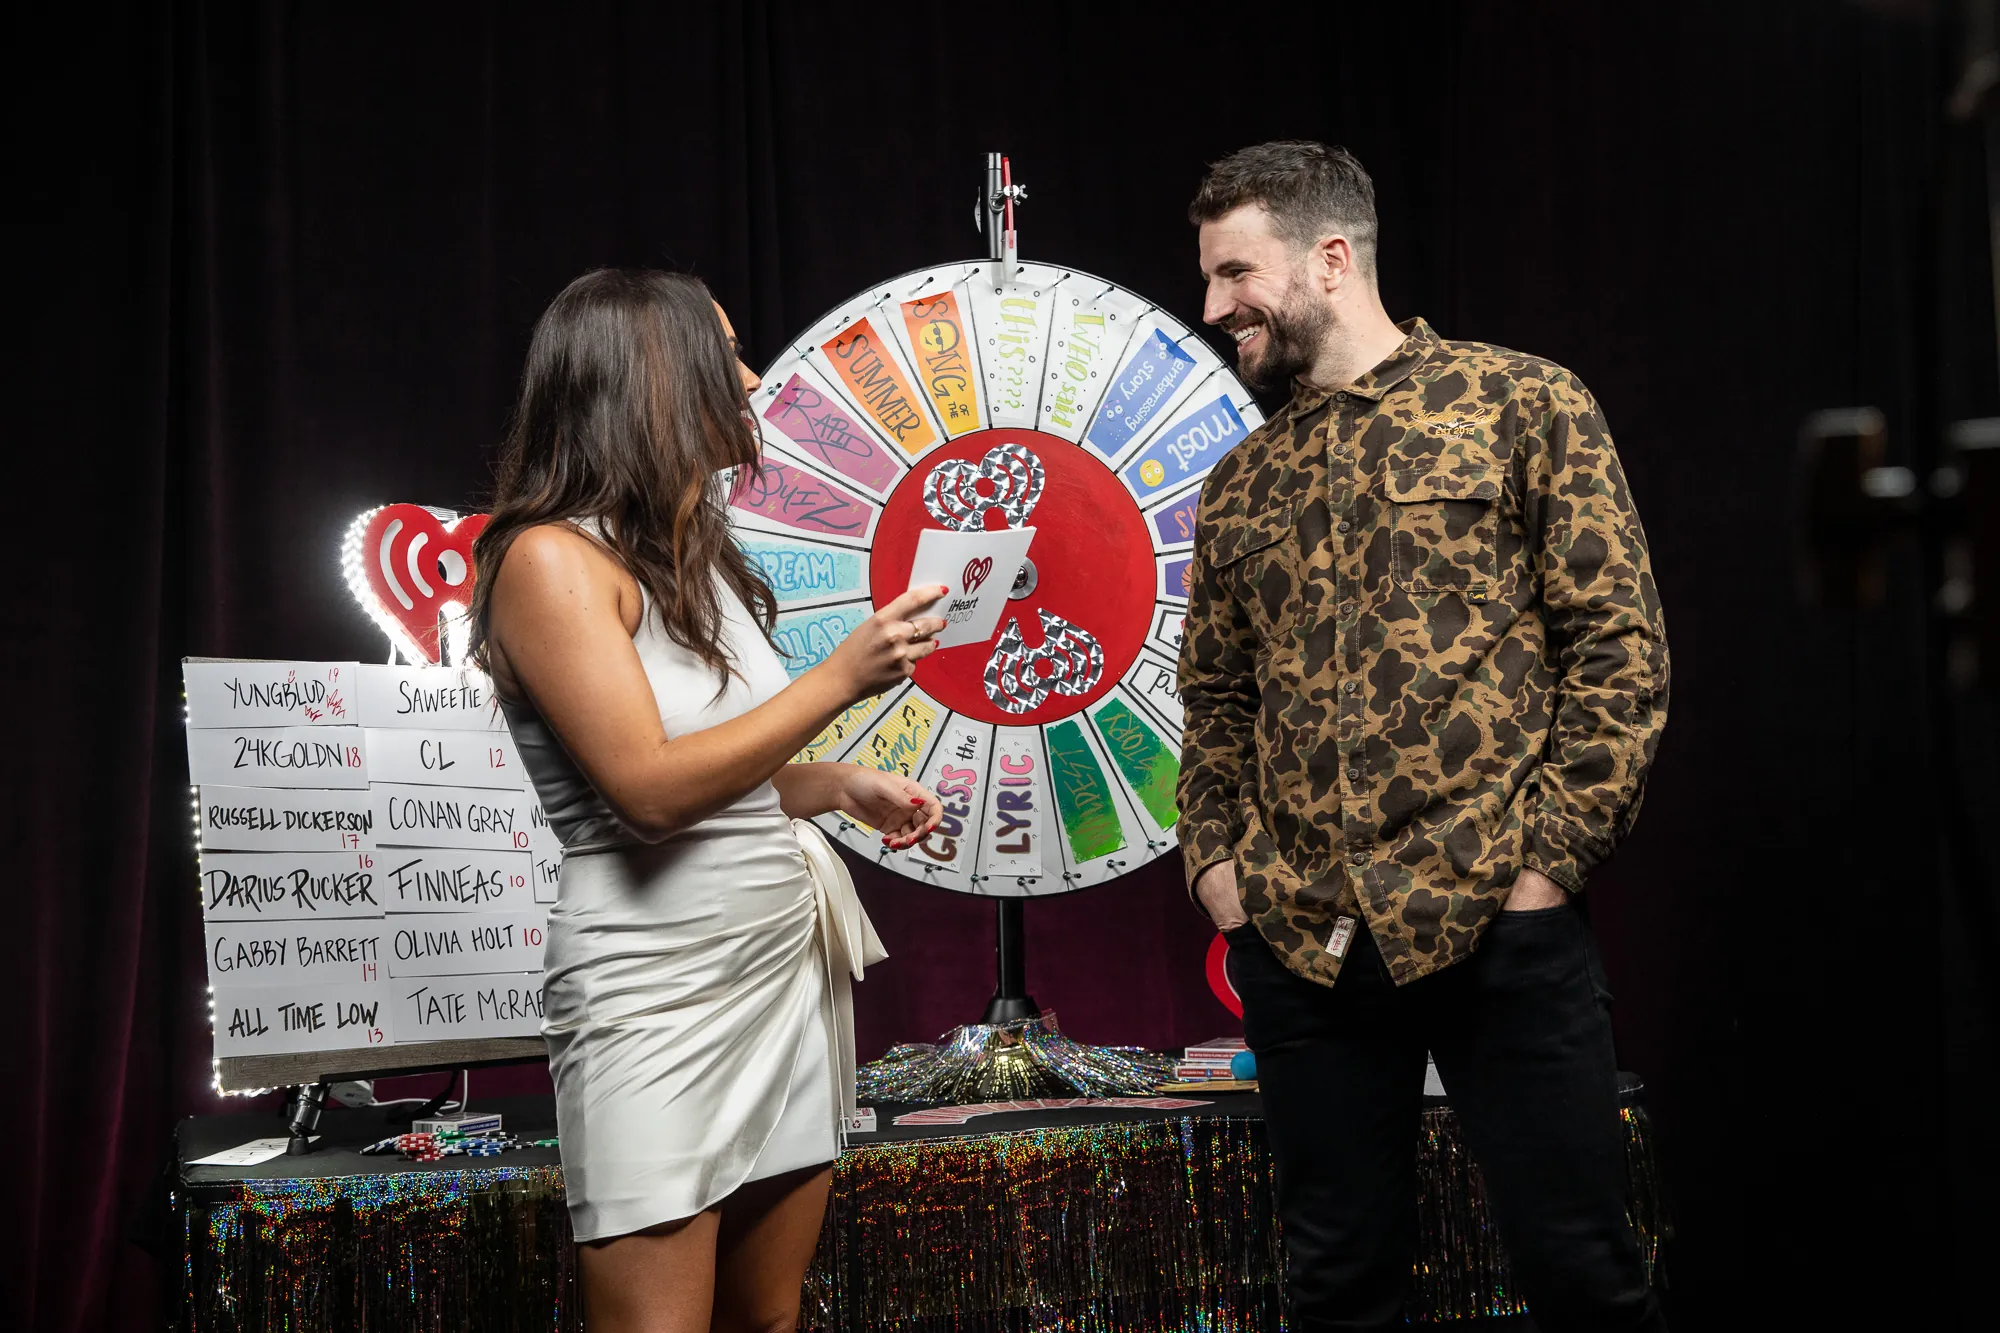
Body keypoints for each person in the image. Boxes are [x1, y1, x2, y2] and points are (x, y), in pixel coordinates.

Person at [1177, 142, 1671, 1332]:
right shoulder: (1239, 483)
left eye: (1234, 272)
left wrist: (1546, 863)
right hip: (1301, 943)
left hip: (1497, 925)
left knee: (1583, 1277)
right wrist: (1217, 872)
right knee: (1335, 1288)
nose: (1212, 308)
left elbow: (1617, 647)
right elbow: (1215, 703)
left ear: (1330, 259)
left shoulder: (1523, 402)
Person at [470, 268, 948, 1333]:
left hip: (774, 966)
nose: (747, 375)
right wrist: (841, 676)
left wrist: (834, 785)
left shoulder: (700, 557)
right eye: (722, 353)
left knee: (767, 1321)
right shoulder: (547, 560)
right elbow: (642, 789)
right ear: (647, 380)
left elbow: (722, 772)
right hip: (654, 989)